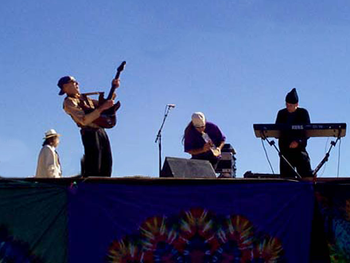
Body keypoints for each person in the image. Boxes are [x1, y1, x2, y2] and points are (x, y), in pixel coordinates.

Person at [57, 76, 119, 177]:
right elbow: (83, 120)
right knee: (94, 167)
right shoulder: (69, 102)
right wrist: (103, 107)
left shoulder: (85, 98)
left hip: (100, 131)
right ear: (65, 87)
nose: (77, 83)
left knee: (106, 164)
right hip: (90, 133)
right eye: (73, 82)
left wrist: (114, 88)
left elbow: (104, 105)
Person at [275, 88, 313, 178]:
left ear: (296, 104)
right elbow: (276, 130)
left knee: (305, 174)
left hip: (299, 150)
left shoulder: (303, 113)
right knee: (286, 177)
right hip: (285, 150)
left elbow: (307, 131)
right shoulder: (281, 113)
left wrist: (298, 141)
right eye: (287, 105)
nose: (288, 107)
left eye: (290, 105)